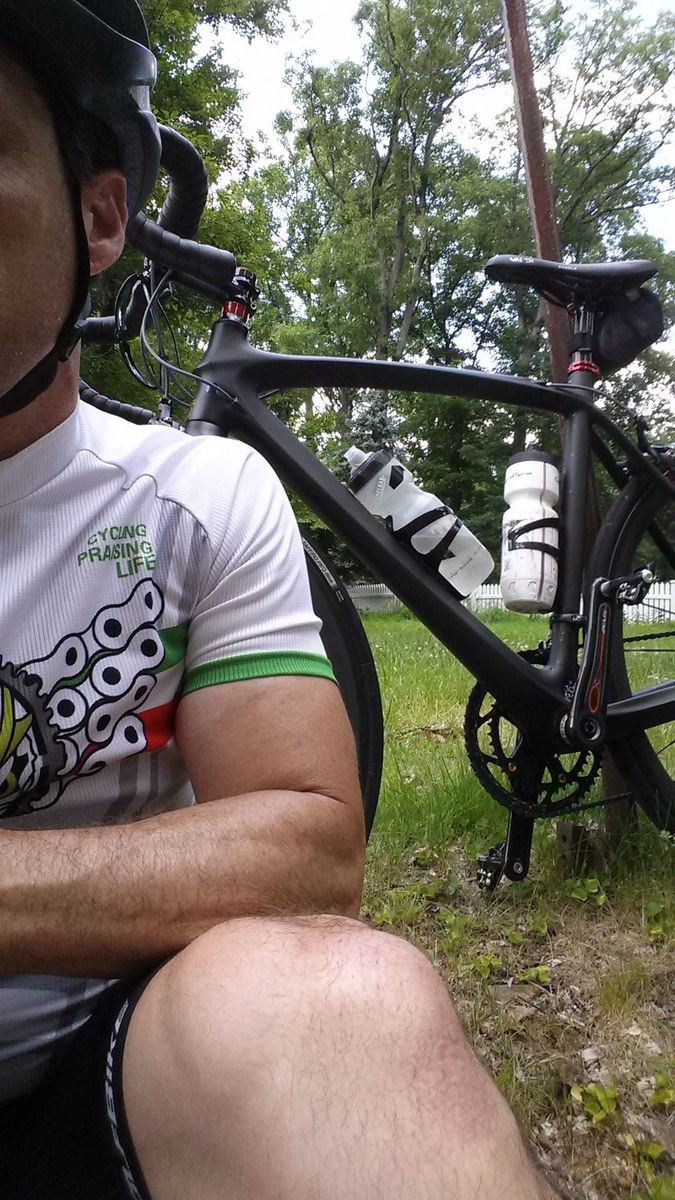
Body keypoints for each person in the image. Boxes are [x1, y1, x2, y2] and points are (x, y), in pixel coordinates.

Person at [0, 2, 559, 1197]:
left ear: (101, 218)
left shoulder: (194, 497)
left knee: (339, 1003)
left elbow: (304, 845)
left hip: (95, 1080)